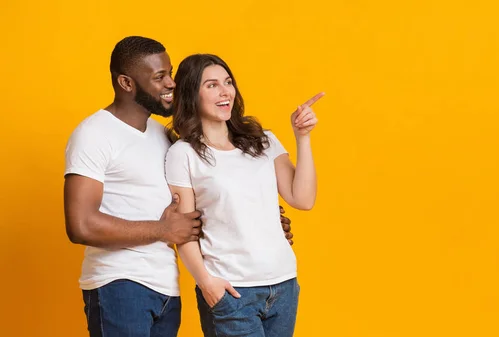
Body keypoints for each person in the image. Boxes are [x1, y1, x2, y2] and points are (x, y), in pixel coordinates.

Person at [63, 36, 294, 337]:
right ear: (126, 83)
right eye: (159, 77)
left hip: (165, 288)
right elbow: (80, 225)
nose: (171, 83)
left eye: (170, 73)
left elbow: (203, 197)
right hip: (118, 283)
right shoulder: (94, 134)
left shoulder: (165, 137)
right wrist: (163, 230)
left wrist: (258, 220)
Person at [165, 53, 321, 337]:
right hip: (232, 291)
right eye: (211, 85)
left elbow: (303, 199)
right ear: (191, 94)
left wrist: (302, 138)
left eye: (228, 82)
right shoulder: (183, 154)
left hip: (283, 284)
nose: (225, 92)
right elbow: (183, 231)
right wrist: (206, 282)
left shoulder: (264, 141)